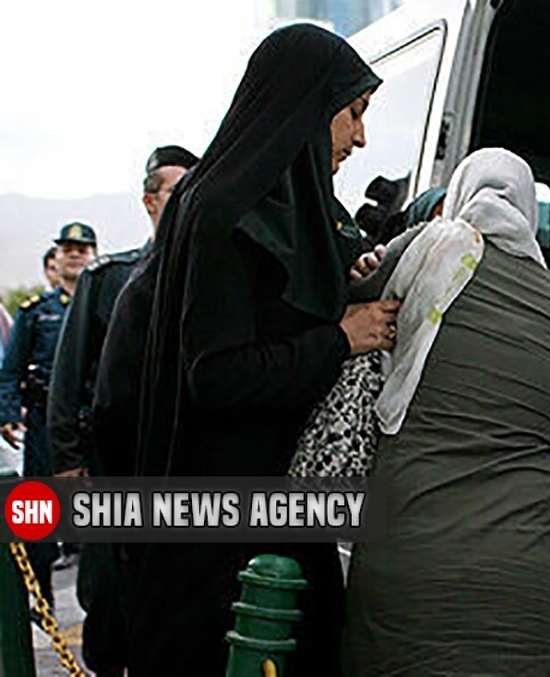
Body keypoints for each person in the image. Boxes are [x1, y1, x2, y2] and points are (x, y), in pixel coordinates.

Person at [100, 24, 391, 676]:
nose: (360, 138)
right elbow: (218, 374)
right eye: (353, 112)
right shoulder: (224, 212)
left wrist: (348, 271)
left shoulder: (282, 208)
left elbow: (285, 294)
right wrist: (340, 338)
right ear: (307, 106)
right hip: (221, 540)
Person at [341, 148, 550, 676]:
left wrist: (364, 267)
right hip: (534, 588)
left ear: (460, 195)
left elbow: (339, 310)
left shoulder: (425, 249)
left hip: (408, 571)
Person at [46, 144, 197, 677]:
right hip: (112, 468)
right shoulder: (110, 278)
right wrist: (67, 463)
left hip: (179, 471)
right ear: (150, 201)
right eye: (177, 191)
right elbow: (68, 378)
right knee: (108, 601)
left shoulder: (207, 275)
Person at [0, 222, 98, 607]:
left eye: (81, 249)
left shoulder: (105, 302)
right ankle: (43, 605)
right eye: (66, 249)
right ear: (55, 258)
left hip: (90, 423)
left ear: (93, 255)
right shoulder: (36, 312)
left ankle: (97, 611)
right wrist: (8, 412)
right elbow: (11, 368)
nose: (74, 255)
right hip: (44, 425)